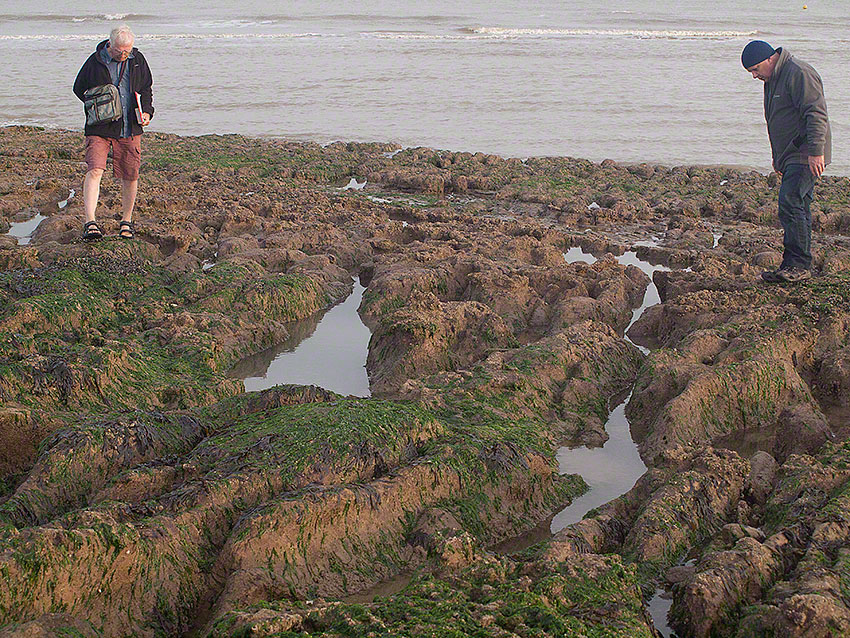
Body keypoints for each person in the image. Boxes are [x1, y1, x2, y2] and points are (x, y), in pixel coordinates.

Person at [741, 40, 831, 283]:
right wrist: (778, 159)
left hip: (806, 153)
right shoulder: (772, 79)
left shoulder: (798, 73)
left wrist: (815, 152)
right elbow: (778, 122)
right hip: (791, 154)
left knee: (790, 203)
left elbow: (816, 113)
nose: (754, 76)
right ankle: (794, 264)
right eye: (751, 72)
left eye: (756, 69)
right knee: (798, 206)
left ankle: (798, 265)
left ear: (771, 58)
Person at [73, 25, 154, 241]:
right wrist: (99, 108)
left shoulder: (138, 60)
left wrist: (147, 112)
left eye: (128, 50)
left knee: (130, 175)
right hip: (99, 128)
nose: (124, 54)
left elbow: (146, 88)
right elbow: (78, 88)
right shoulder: (95, 61)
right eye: (120, 50)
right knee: (95, 170)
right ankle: (90, 222)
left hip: (130, 127)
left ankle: (126, 221)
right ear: (110, 45)